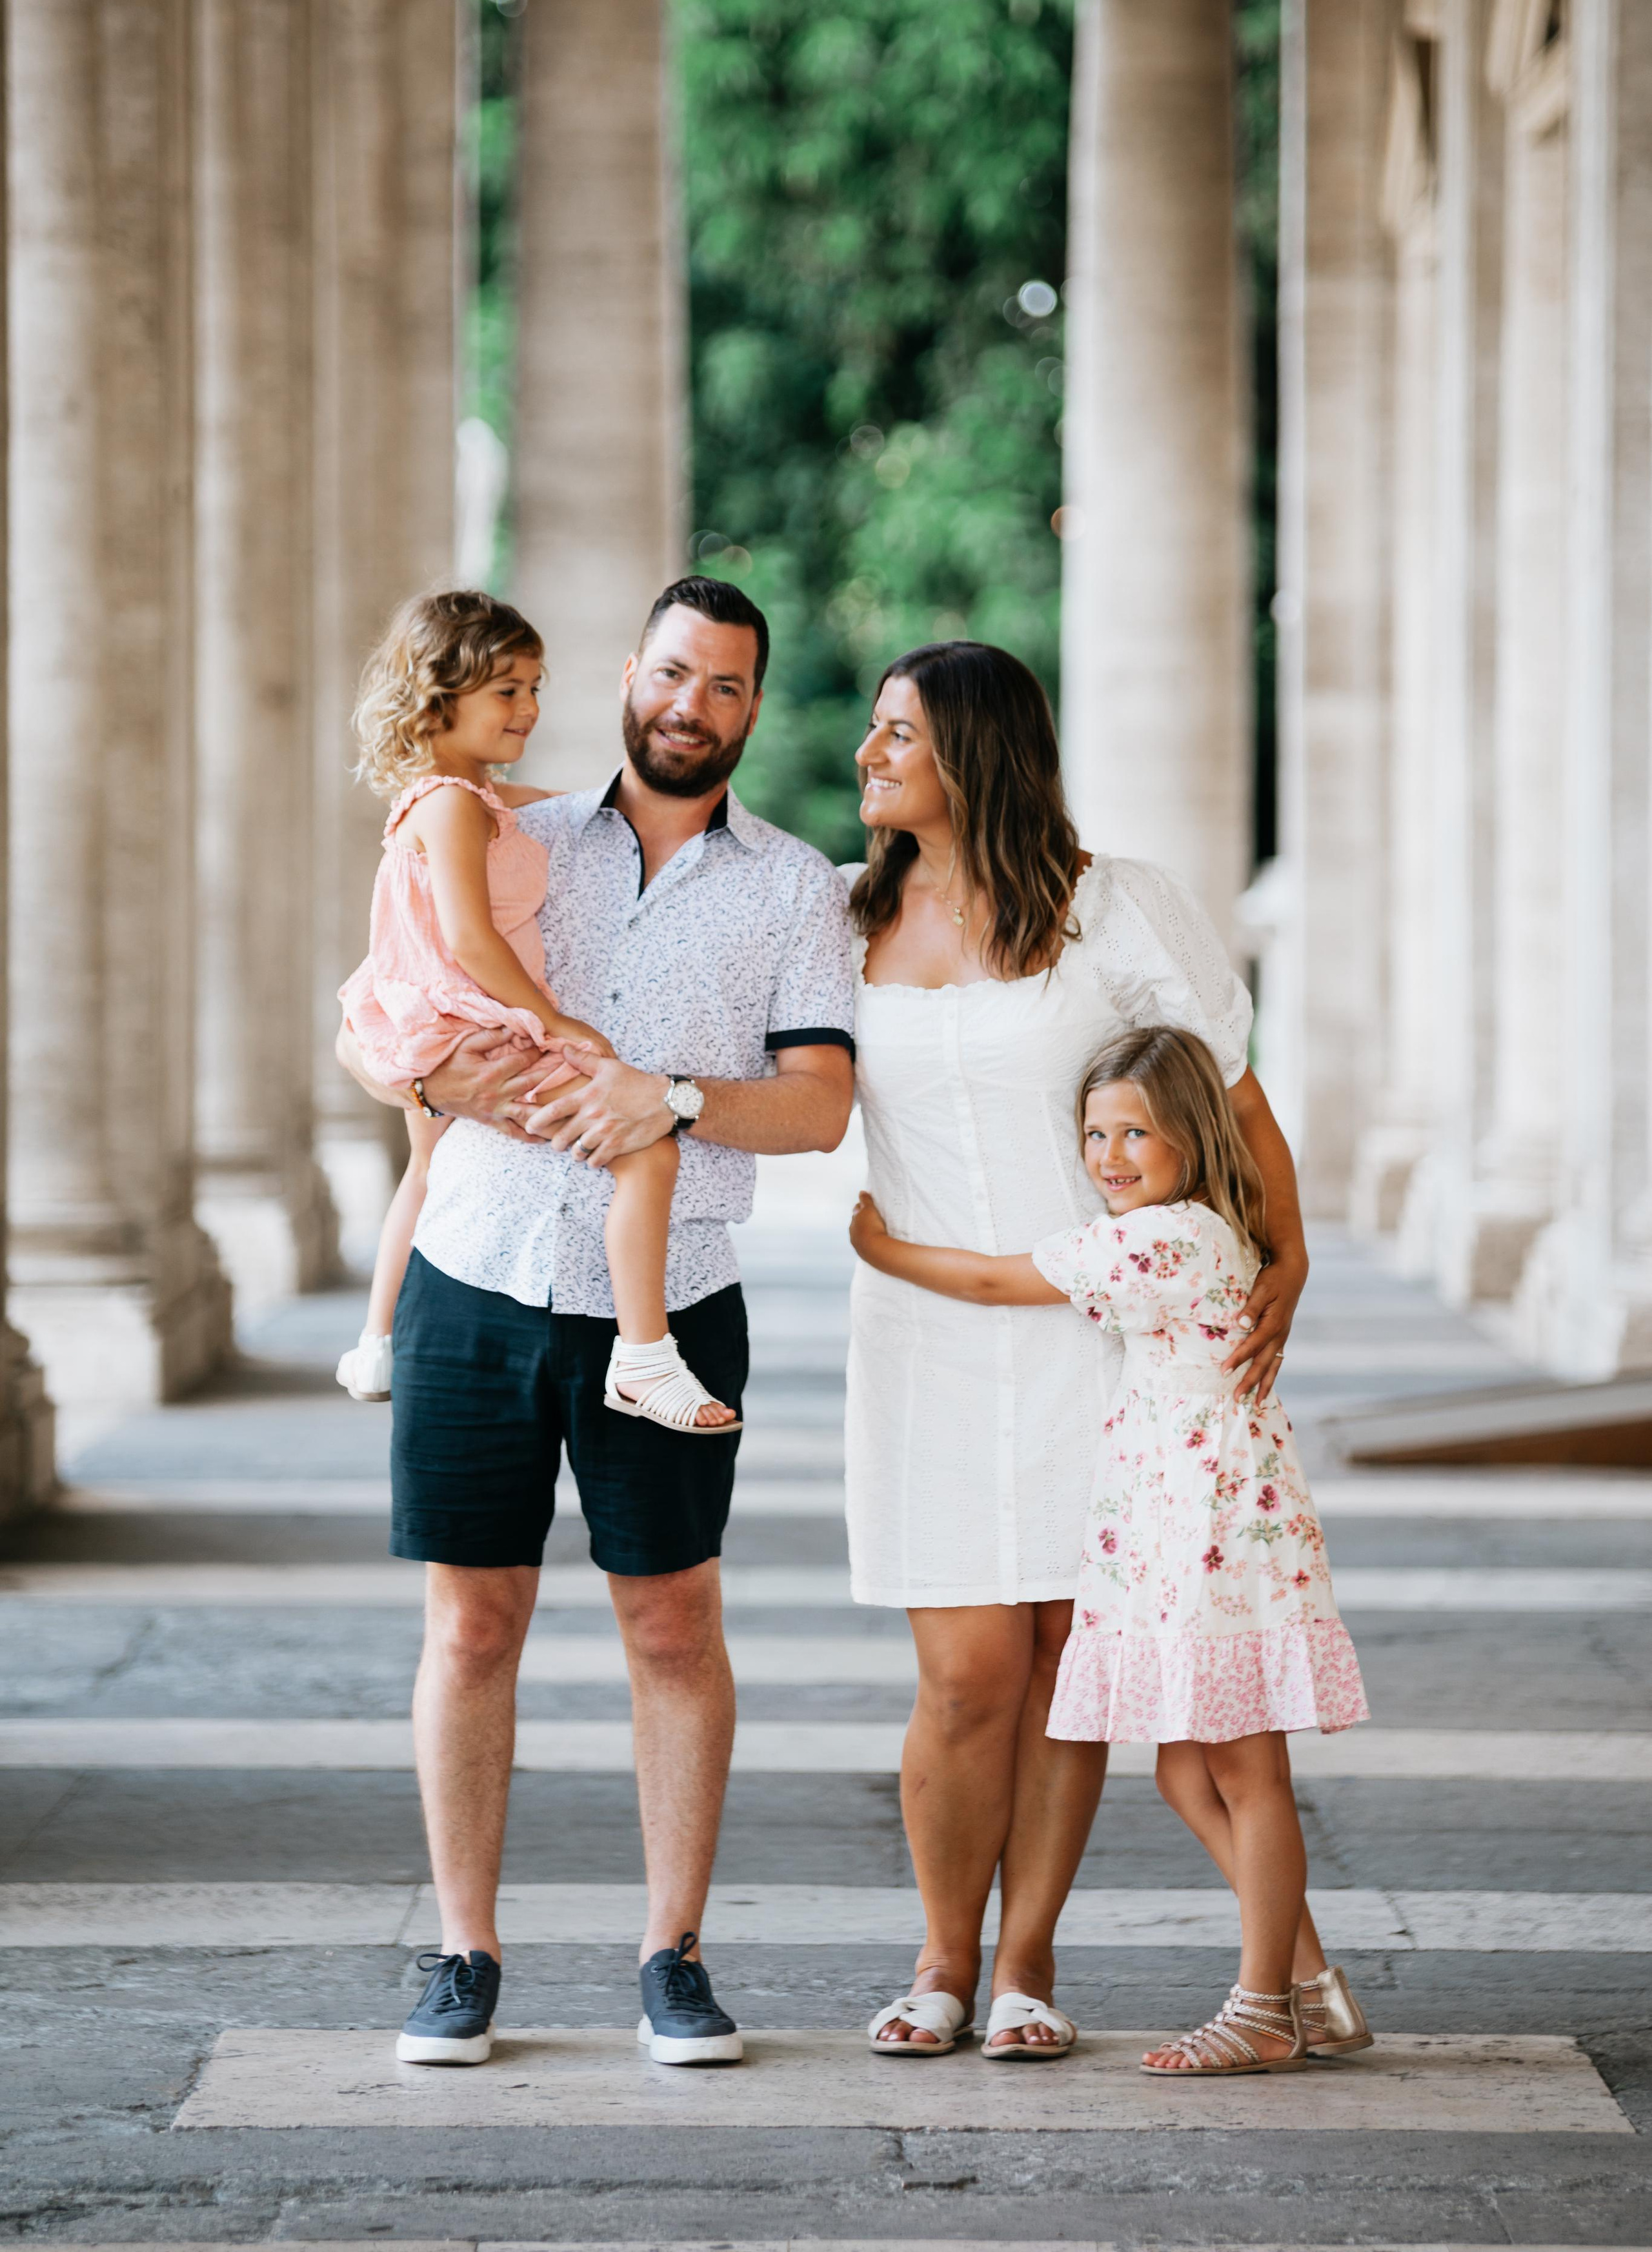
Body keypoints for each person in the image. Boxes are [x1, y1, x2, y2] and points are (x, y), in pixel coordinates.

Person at [334, 577, 855, 2068]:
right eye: (673, 674)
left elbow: (817, 1109)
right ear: (631, 676)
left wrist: (672, 1099)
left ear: (753, 708)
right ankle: (462, 1954)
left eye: (727, 688)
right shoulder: (507, 827)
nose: (691, 707)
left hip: (671, 1293)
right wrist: (442, 1082)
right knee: (470, 1621)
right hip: (478, 1268)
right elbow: (377, 1010)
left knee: (673, 1625)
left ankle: (671, 1954)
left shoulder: (795, 887)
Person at [843, 641, 1309, 2061]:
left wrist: (1282, 1256)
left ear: (973, 753)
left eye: (897, 734)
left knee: (1061, 1663)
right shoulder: (838, 917)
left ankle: (1028, 1967)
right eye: (871, 732)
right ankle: (938, 1960)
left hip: (1099, 1343)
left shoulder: (1112, 906)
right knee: (962, 1673)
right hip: (923, 1333)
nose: (868, 755)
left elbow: (1224, 1092)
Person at [850, 1023, 1371, 2076]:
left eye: (1139, 1132)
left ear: (1196, 1136)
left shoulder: (1162, 1241)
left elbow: (998, 1283)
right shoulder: (1210, 1227)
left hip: (1212, 1535)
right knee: (1189, 1773)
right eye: (1094, 1133)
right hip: (1196, 1524)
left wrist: (880, 1246)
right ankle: (1310, 1980)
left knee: (1246, 1769)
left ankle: (1265, 2006)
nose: (1110, 1156)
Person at [336, 590, 732, 1433]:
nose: (530, 708)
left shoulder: (468, 795)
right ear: (441, 692)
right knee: (648, 1147)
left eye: (534, 686)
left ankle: (376, 1343)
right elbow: (472, 940)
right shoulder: (448, 804)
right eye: (506, 690)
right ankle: (644, 1358)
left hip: (435, 1023)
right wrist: (560, 1025)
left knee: (428, 1170)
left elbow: (586, 806)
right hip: (477, 1022)